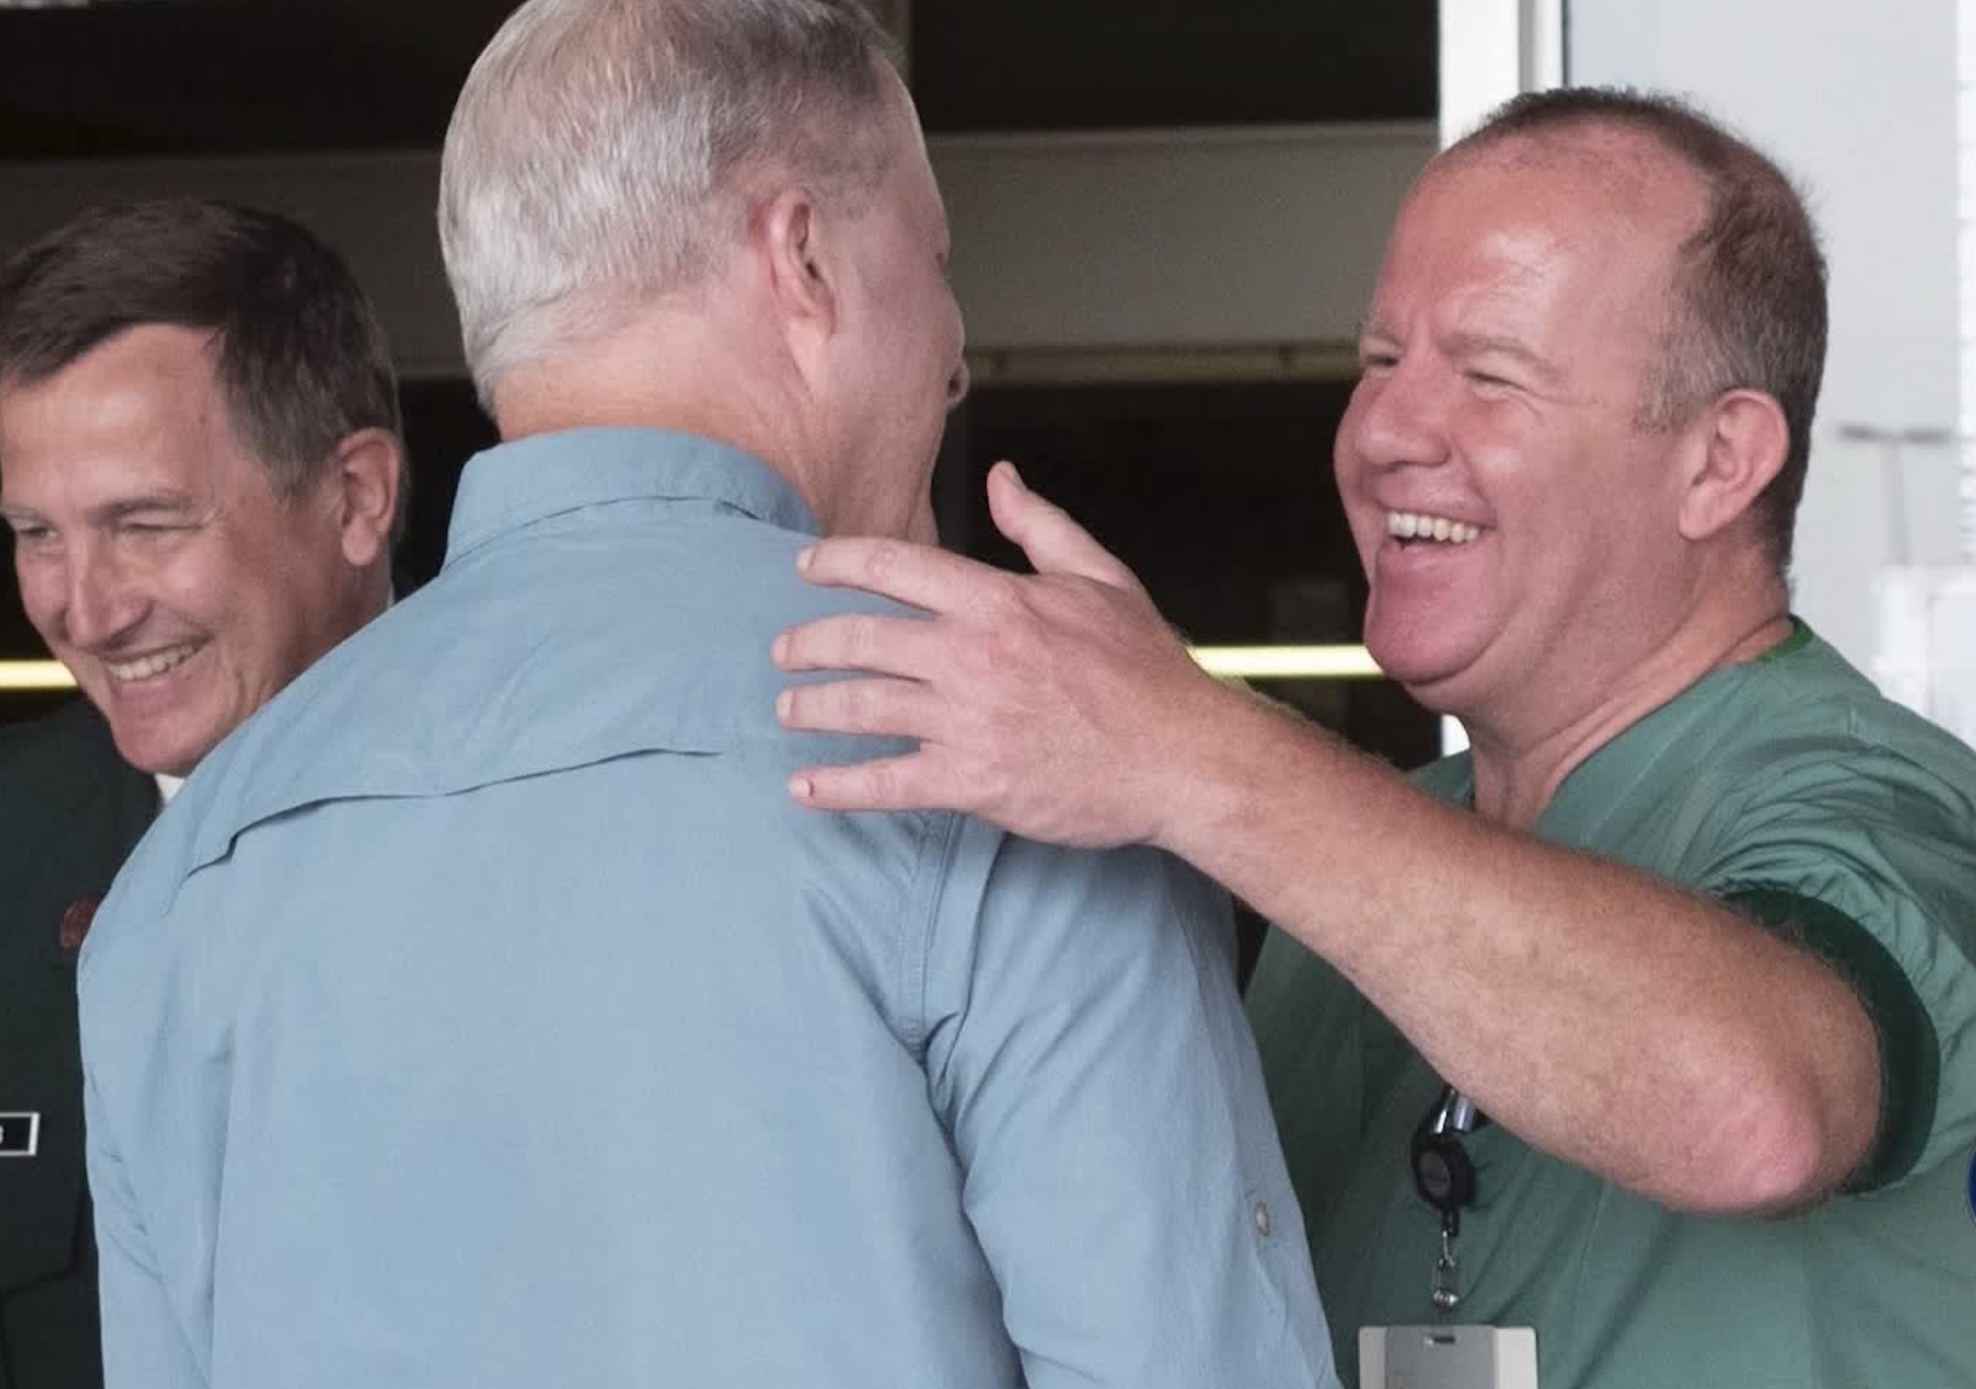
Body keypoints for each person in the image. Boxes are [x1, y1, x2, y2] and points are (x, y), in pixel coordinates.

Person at [77, 0, 1336, 1389]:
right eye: (934, 263)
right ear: (802, 258)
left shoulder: (191, 879)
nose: (953, 354)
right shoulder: (1013, 765)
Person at [773, 87, 1976, 1388]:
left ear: (1717, 459)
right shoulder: (1351, 881)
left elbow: (1757, 1114)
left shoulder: (1874, 796)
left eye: (1490, 374)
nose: (1386, 432)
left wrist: (1187, 748)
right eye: (1380, 359)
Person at [0, 198, 405, 1389]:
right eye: (37, 535)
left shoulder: (558, 817)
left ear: (356, 498)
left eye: (146, 524)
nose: (87, 608)